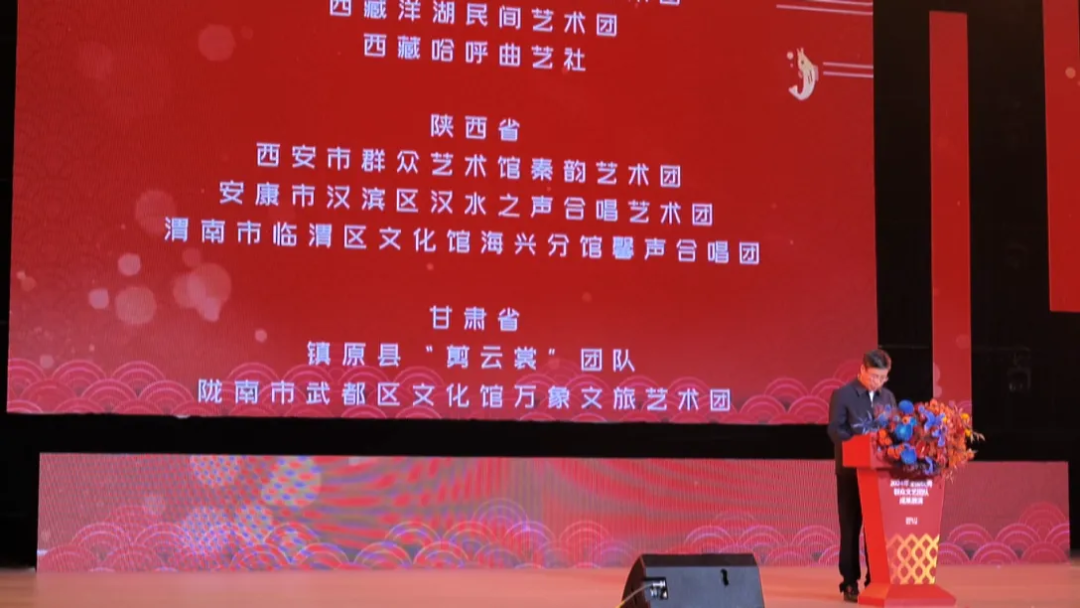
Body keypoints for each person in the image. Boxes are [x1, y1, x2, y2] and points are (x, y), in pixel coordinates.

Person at [827, 349, 896, 603]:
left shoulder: (888, 397)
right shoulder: (843, 394)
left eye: (882, 377)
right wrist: (861, 445)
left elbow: (894, 428)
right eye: (874, 376)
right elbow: (836, 430)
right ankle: (849, 581)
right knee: (850, 527)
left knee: (877, 531)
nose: (878, 382)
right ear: (862, 370)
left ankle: (875, 579)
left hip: (879, 474)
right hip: (851, 472)